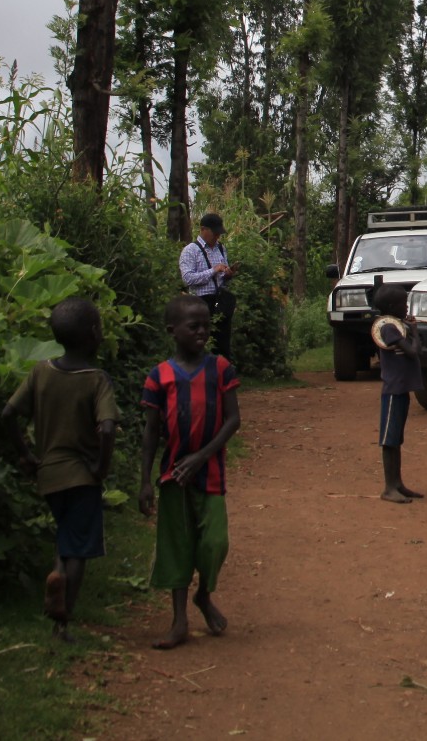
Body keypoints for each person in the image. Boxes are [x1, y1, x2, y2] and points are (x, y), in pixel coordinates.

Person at [3, 297, 118, 642]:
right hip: (82, 476)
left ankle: (56, 574)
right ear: (95, 334)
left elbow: (8, 415)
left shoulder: (41, 371)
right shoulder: (96, 380)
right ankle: (62, 620)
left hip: (49, 475)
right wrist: (101, 466)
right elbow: (108, 427)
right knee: (79, 549)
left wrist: (25, 454)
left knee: (66, 535)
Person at [138, 294, 242, 650]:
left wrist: (201, 456)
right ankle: (179, 620)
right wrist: (144, 483)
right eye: (193, 326)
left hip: (209, 473)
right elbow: (151, 432)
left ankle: (204, 594)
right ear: (173, 330)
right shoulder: (159, 376)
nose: (202, 332)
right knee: (176, 547)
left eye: (206, 327)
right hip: (172, 476)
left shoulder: (221, 368)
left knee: (215, 542)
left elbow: (233, 420)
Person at [370, 282, 425, 504]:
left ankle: (397, 483)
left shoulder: (394, 324)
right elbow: (413, 352)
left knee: (396, 439)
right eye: (404, 303)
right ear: (393, 306)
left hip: (400, 389)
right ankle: (389, 487)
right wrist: (415, 332)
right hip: (393, 390)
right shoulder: (388, 328)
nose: (406, 307)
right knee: (389, 440)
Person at [178, 212, 236, 362]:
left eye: (219, 233)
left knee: (222, 340)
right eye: (214, 233)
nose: (217, 236)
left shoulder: (221, 249)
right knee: (201, 340)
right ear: (203, 229)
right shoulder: (190, 251)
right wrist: (213, 271)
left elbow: (222, 278)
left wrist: (227, 274)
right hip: (200, 302)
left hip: (218, 300)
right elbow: (188, 279)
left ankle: (222, 375)